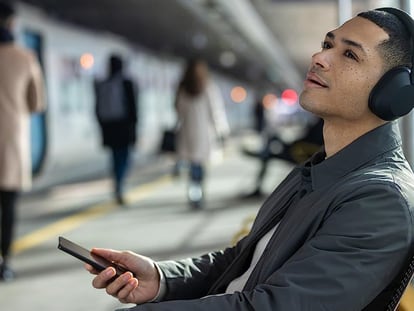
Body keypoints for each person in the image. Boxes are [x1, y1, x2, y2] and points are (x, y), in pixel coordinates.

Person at [86, 8, 414, 310]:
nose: (320, 57)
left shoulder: (380, 202)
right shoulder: (317, 170)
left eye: (349, 54)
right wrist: (162, 279)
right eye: (327, 44)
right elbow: (243, 259)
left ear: (392, 93)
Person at [0, 1, 45, 281]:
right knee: (8, 208)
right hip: (9, 143)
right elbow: (37, 103)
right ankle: (4, 262)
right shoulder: (25, 57)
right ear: (11, 24)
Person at [173, 58, 229, 209]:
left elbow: (178, 110)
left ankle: (193, 192)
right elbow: (216, 111)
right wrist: (222, 130)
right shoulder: (208, 87)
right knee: (200, 165)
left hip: (187, 132)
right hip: (204, 133)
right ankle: (198, 194)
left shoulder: (182, 88)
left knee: (193, 165)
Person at [94, 54, 138, 206]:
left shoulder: (102, 84)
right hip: (124, 127)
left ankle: (117, 185)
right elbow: (134, 110)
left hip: (110, 129)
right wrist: (134, 132)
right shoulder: (127, 83)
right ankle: (120, 185)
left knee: (115, 158)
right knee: (125, 158)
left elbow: (97, 110)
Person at [243, 117, 324, 198]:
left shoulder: (323, 123)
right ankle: (262, 154)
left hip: (301, 153)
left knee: (269, 153)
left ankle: (261, 154)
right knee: (272, 140)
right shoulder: (321, 121)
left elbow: (312, 142)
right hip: (298, 149)